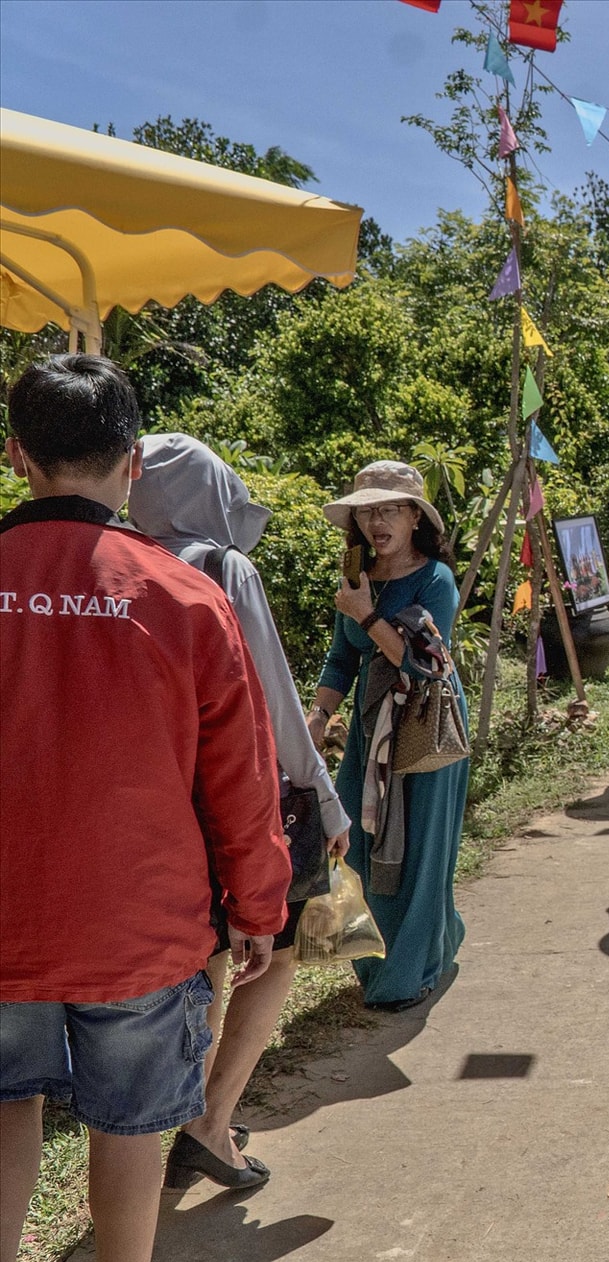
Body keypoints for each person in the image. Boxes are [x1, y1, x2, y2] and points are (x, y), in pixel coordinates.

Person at [2, 356, 289, 1262]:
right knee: (130, 1128)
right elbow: (241, 777)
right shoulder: (183, 596)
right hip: (141, 927)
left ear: (17, 457)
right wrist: (258, 905)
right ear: (133, 464)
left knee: (7, 1110)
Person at [126, 433, 352, 1193]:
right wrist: (320, 789)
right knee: (276, 954)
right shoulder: (226, 566)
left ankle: (194, 1118)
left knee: (213, 957)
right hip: (243, 796)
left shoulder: (120, 561)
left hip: (161, 800)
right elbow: (273, 699)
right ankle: (210, 1125)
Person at [306, 462, 470, 1011]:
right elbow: (343, 656)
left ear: (414, 518)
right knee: (356, 841)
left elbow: (426, 662)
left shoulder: (435, 579)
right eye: (367, 510)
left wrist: (367, 612)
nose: (378, 521)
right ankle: (408, 948)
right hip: (371, 727)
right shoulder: (356, 575)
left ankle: (408, 973)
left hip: (427, 724)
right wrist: (317, 715)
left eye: (390, 509)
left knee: (421, 850)